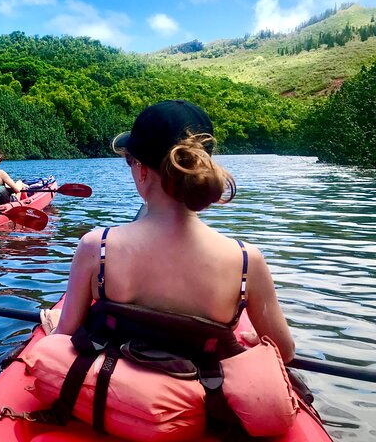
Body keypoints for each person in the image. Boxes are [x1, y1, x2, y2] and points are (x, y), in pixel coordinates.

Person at [54, 99, 294, 361]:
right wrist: (260, 341)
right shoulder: (247, 261)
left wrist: (55, 325)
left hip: (112, 393)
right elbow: (285, 351)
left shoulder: (97, 247)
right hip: (199, 397)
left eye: (129, 162)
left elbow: (65, 334)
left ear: (142, 169)